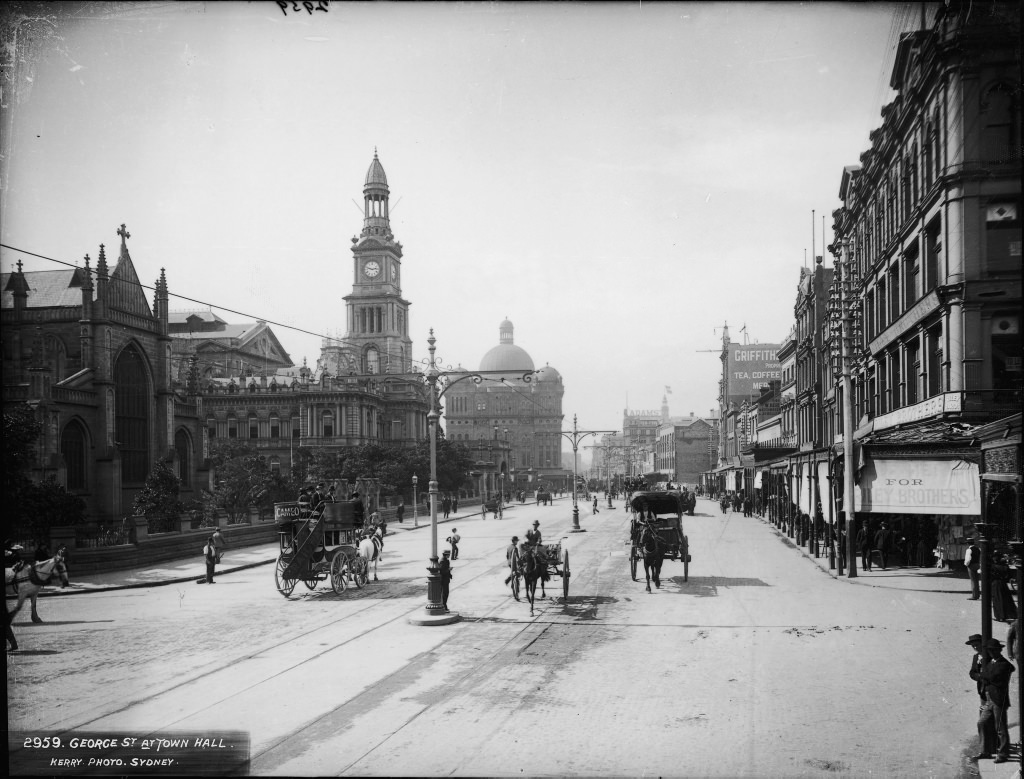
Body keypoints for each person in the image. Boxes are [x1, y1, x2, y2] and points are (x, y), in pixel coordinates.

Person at [977, 637, 1015, 763]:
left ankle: (1003, 754)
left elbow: (989, 676)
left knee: (1000, 728)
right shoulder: (991, 663)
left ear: (999, 650)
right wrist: (986, 676)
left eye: (994, 650)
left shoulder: (1004, 664)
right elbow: (987, 676)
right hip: (989, 699)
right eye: (990, 650)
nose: (991, 652)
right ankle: (985, 751)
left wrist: (984, 676)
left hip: (999, 699)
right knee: (982, 722)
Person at [967, 633, 998, 758]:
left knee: (985, 720)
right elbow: (972, 672)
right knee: (986, 718)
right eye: (973, 646)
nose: (975, 647)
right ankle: (991, 746)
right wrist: (979, 676)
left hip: (992, 692)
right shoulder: (976, 657)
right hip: (982, 691)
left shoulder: (990, 656)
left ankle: (987, 749)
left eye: (977, 645)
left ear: (982, 644)